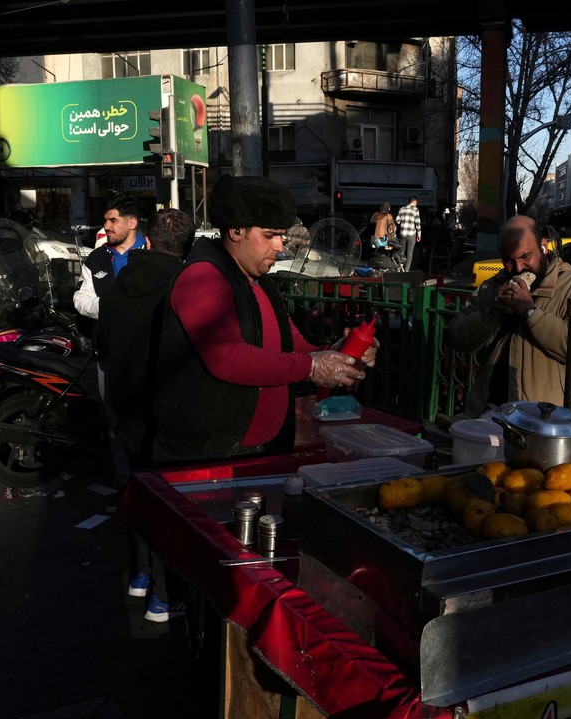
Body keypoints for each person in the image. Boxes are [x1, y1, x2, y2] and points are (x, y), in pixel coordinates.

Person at [151, 175, 377, 463]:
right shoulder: (203, 277)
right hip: (207, 455)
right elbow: (226, 357)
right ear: (235, 230)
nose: (280, 246)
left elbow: (292, 346)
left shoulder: (262, 283)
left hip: (265, 449)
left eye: (281, 236)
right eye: (270, 235)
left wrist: (338, 354)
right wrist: (311, 366)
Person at [99, 208, 197, 622]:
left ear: (149, 241)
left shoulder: (119, 282)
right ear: (188, 249)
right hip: (162, 415)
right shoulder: (182, 286)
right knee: (168, 506)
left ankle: (140, 577)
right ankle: (163, 594)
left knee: (137, 492)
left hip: (123, 407)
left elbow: (104, 345)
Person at [446, 215, 571, 417]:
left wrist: (530, 312)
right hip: (488, 414)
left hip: (545, 421)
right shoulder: (492, 286)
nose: (518, 268)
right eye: (509, 261)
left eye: (525, 256)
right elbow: (458, 337)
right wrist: (492, 312)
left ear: (543, 247)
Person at [73, 194, 147, 498]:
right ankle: (123, 478)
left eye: (113, 220)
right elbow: (81, 299)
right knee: (114, 418)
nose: (107, 226)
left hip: (147, 353)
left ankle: (152, 477)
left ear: (132, 223)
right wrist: (111, 307)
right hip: (109, 353)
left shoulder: (155, 254)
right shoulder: (97, 258)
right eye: (106, 220)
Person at [395, 196, 422, 270]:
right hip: (411, 233)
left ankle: (399, 268)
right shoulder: (415, 210)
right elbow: (417, 223)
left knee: (401, 252)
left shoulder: (402, 209)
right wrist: (419, 234)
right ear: (415, 201)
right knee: (410, 253)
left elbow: (397, 221)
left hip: (403, 233)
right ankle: (406, 270)